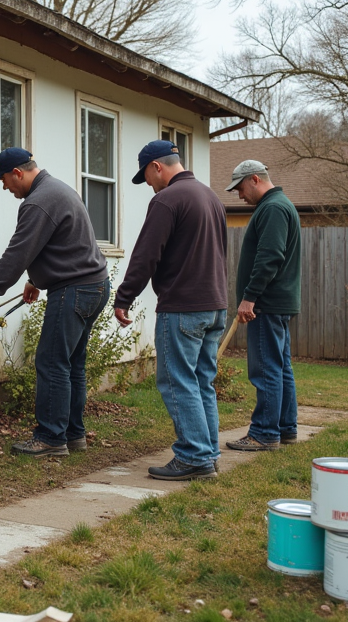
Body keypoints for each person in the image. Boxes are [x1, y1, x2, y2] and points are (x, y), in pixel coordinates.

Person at [0, 148, 110, 457]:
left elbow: (18, 253)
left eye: (4, 181)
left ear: (18, 173)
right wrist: (36, 281)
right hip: (95, 285)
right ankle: (72, 434)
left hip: (73, 289)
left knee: (51, 363)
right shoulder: (59, 189)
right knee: (71, 364)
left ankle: (51, 438)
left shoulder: (37, 202)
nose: (5, 187)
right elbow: (64, 243)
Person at [113, 140, 227, 480]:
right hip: (215, 305)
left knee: (177, 381)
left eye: (147, 177)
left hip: (183, 307)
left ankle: (194, 457)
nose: (149, 184)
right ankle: (208, 452)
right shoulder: (211, 197)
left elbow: (147, 254)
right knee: (202, 381)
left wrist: (124, 296)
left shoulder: (167, 200)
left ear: (156, 167)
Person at [224, 160, 302, 451]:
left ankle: (264, 433)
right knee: (280, 367)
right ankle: (285, 428)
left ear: (254, 179)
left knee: (266, 368)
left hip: (266, 304)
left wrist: (250, 296)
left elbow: (270, 256)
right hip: (276, 303)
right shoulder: (281, 206)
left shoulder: (272, 209)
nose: (239, 196)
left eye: (241, 188)